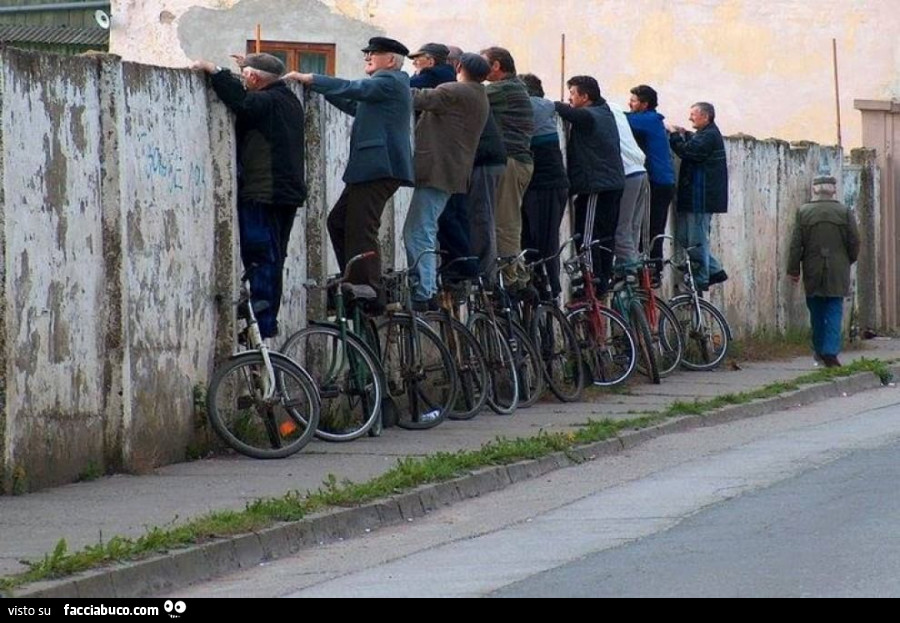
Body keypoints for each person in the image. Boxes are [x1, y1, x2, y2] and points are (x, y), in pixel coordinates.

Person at [285, 37, 414, 308]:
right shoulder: (384, 88)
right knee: (339, 221)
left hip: (379, 167)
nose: (367, 57)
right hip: (369, 168)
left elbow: (352, 88)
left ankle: (369, 291)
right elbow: (354, 104)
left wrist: (312, 78)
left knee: (362, 228)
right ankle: (353, 282)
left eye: (373, 54)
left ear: (390, 60)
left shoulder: (390, 81)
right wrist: (322, 91)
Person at [192, 52, 306, 339]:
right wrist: (241, 67)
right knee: (274, 258)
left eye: (246, 76)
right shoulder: (289, 99)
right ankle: (267, 320)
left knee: (261, 255)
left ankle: (262, 324)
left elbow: (241, 101)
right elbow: (248, 93)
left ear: (255, 79)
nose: (243, 80)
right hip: (285, 192)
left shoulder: (266, 101)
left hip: (264, 192)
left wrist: (214, 69)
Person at [404, 53, 491, 310]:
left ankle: (424, 291)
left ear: (459, 67)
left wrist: (390, 81)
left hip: (437, 169)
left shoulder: (455, 90)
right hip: (451, 171)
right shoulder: (479, 95)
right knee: (426, 228)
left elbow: (415, 98)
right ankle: (426, 287)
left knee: (419, 230)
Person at [554, 75, 624, 296]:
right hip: (611, 183)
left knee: (587, 234)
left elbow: (569, 113)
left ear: (585, 97)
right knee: (604, 235)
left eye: (573, 94)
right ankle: (602, 279)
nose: (569, 98)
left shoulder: (590, 115)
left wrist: (551, 104)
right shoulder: (605, 112)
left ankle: (591, 280)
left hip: (597, 185)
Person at [787, 175, 860, 368]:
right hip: (838, 268)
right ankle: (830, 351)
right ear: (833, 190)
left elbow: (796, 245)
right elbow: (854, 241)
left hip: (812, 267)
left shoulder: (803, 212)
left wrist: (793, 269)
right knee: (834, 308)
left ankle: (819, 350)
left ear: (815, 191)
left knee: (816, 310)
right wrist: (848, 260)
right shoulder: (844, 212)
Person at [480, 46, 535, 292]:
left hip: (511, 161)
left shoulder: (503, 89)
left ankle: (511, 280)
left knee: (505, 222)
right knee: (507, 220)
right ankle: (517, 275)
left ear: (496, 66)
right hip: (517, 161)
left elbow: (470, 96)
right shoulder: (516, 88)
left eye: (483, 63)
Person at [666, 102, 728, 291]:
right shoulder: (705, 135)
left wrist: (675, 136)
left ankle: (701, 278)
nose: (690, 117)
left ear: (706, 117)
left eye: (694, 114)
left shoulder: (709, 135)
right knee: (685, 238)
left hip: (700, 198)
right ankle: (715, 270)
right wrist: (686, 134)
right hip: (693, 196)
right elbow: (695, 144)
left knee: (696, 241)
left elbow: (689, 152)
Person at [519, 73, 568, 299]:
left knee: (539, 241)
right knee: (541, 241)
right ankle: (545, 286)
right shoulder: (548, 106)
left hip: (543, 184)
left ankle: (548, 287)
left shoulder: (534, 105)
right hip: (545, 184)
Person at [627, 85, 676, 277]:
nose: (630, 103)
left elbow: (619, 119)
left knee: (649, 227)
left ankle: (650, 269)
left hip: (656, 182)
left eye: (633, 100)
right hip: (663, 181)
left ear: (644, 104)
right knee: (654, 225)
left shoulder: (645, 120)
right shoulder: (654, 120)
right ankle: (652, 267)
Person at [609, 102, 649, 274]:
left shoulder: (602, 112)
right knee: (633, 227)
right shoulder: (616, 109)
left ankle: (629, 273)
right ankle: (631, 271)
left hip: (628, 173)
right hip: (641, 170)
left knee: (621, 228)